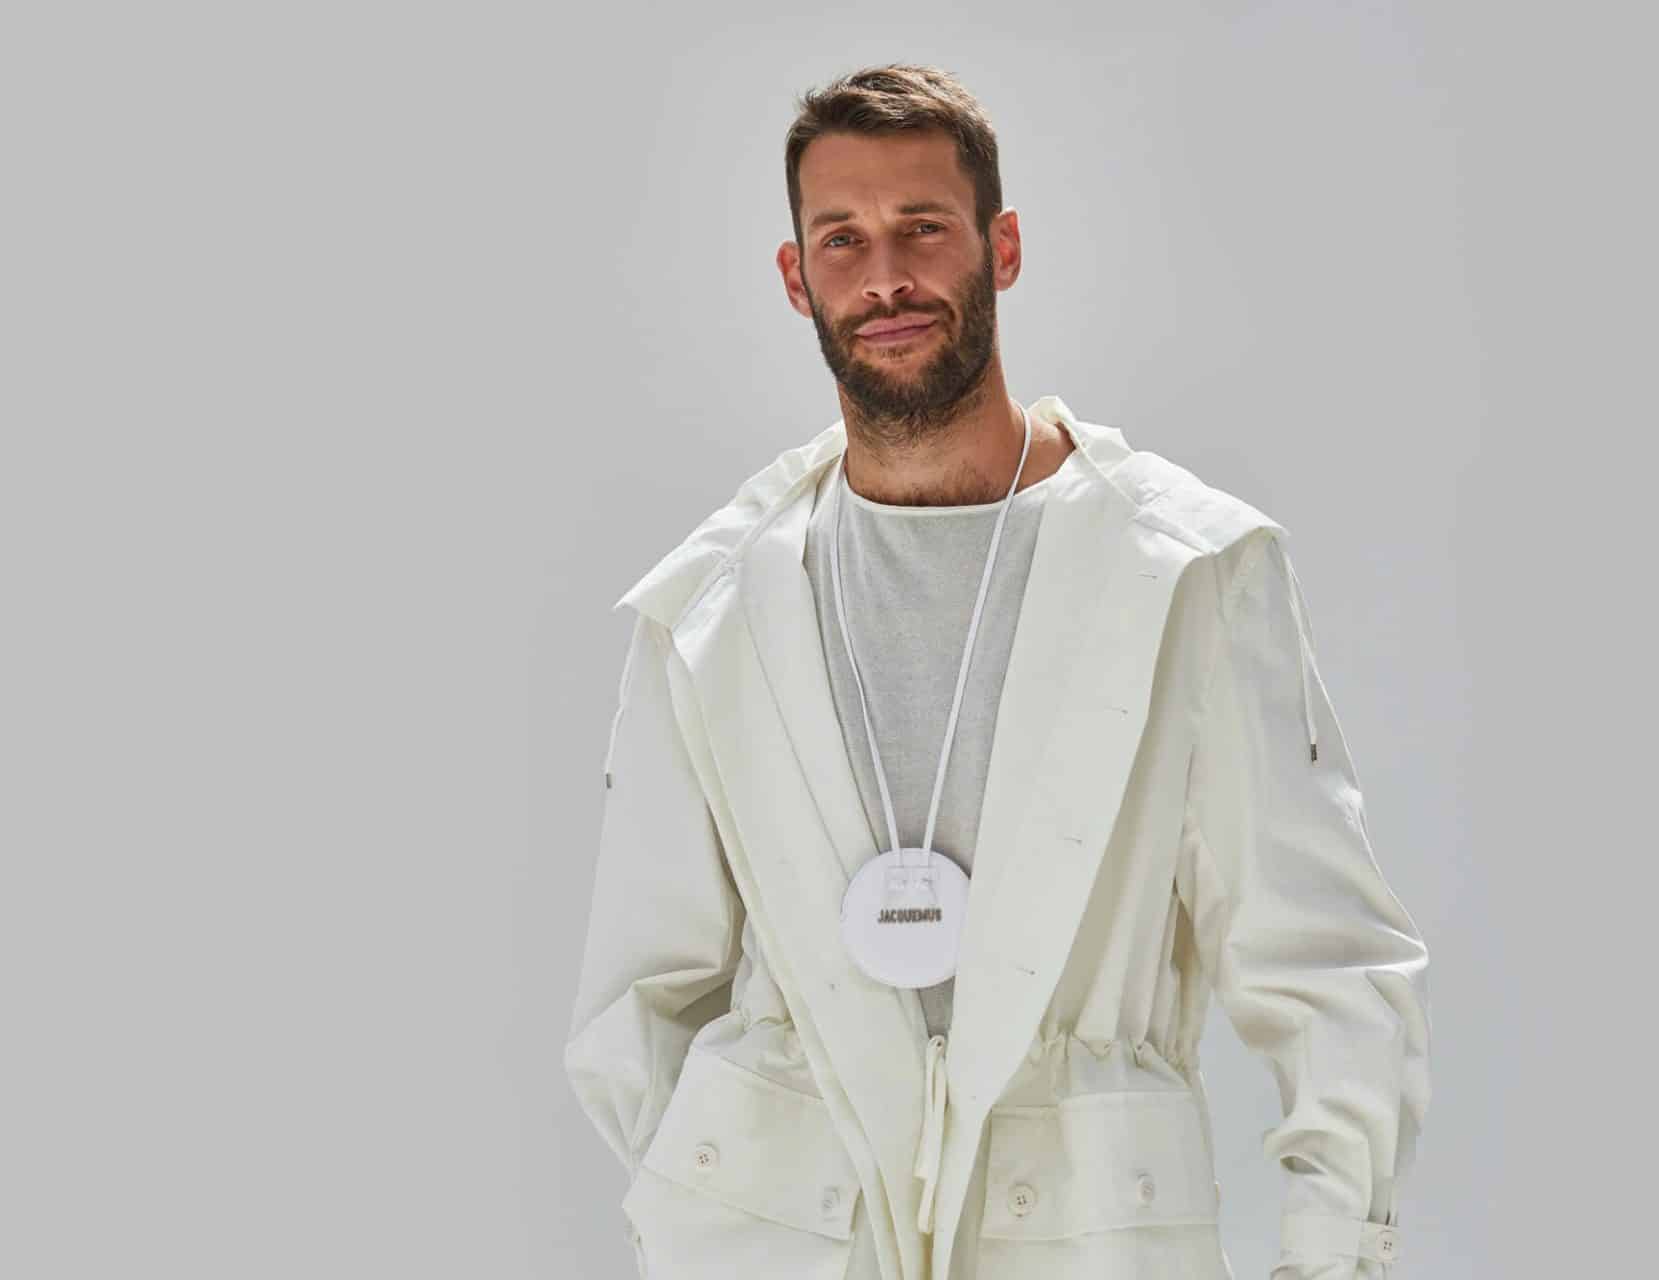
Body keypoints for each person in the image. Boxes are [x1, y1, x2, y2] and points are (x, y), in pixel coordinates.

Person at [564, 63, 1432, 1280]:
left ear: (1002, 247)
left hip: (1089, 1232)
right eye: (843, 238)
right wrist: (720, 1213)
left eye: (923, 227)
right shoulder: (710, 608)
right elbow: (637, 996)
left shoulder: (1183, 570)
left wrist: (1336, 1252)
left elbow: (1324, 962)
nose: (885, 276)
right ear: (797, 277)